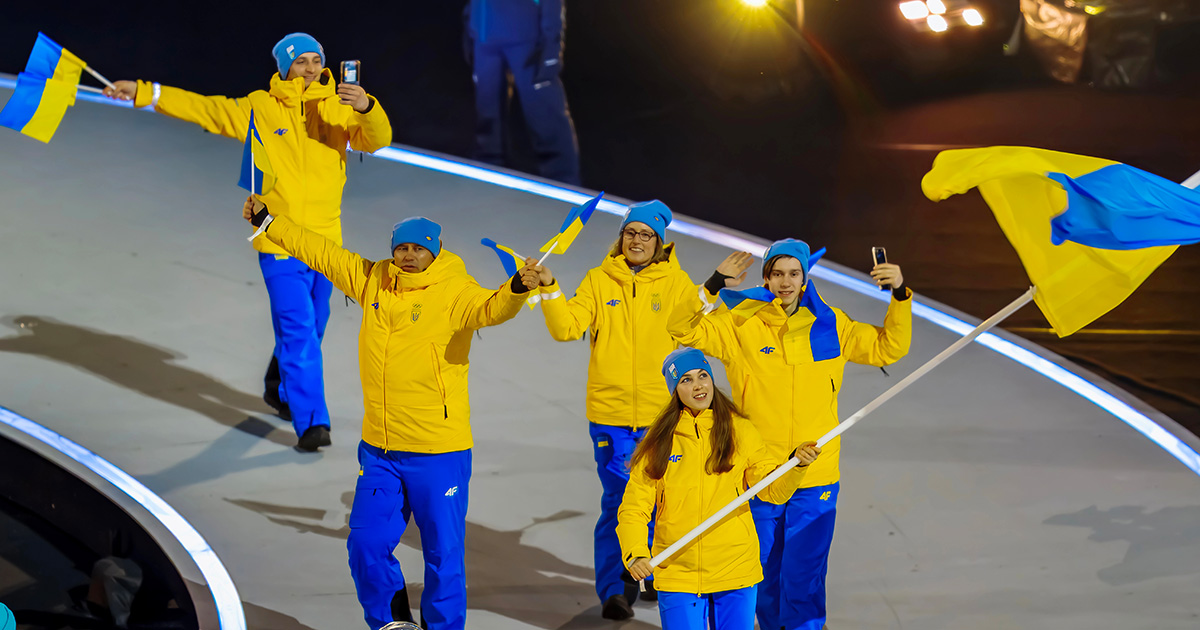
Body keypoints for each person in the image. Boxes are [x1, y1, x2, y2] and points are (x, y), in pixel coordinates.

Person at [242, 198, 542, 630]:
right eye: (402, 248)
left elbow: (490, 308)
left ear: (434, 251)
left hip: (438, 453)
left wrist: (516, 288)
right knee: (365, 545)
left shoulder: (454, 290)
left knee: (443, 558)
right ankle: (391, 623)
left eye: (419, 249)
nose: (409, 255)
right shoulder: (373, 281)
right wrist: (270, 222)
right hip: (380, 451)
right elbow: (321, 252)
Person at [104, 33, 393, 452]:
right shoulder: (259, 107)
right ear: (284, 68)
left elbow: (376, 139)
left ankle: (280, 384)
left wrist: (366, 107)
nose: (310, 68)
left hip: (326, 243)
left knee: (314, 324)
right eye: (301, 62)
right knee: (299, 331)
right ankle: (313, 422)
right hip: (277, 241)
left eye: (316, 60)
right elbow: (206, 109)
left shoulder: (339, 105)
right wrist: (145, 92)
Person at [670, 240, 912, 630]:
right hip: (759, 474)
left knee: (805, 574)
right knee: (761, 573)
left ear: (804, 278)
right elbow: (681, 328)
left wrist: (899, 294)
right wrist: (713, 284)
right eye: (777, 274)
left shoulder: (832, 324)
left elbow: (889, 347)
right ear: (766, 279)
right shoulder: (740, 324)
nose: (786, 282)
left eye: (794, 274)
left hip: (815, 474)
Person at [533, 200, 696, 619]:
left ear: (660, 243)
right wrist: (550, 287)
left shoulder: (678, 284)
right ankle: (616, 588)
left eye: (646, 235)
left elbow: (697, 327)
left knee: (663, 501)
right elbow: (566, 327)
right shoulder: (598, 280)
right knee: (620, 502)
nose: (637, 241)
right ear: (621, 237)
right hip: (611, 415)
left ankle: (655, 574)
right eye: (630, 232)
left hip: (662, 418)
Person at [617, 347, 821, 630]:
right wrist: (636, 553)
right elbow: (633, 508)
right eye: (686, 380)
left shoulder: (740, 430)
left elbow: (772, 490)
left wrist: (795, 466)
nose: (698, 385)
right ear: (675, 390)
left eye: (703, 375)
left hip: (735, 567)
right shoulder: (659, 442)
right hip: (678, 571)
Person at [464, 0, 581, 185]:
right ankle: (488, 172)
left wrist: (552, 44)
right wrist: (470, 23)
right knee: (488, 114)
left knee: (545, 114)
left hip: (527, 39)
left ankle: (563, 183)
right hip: (484, 37)